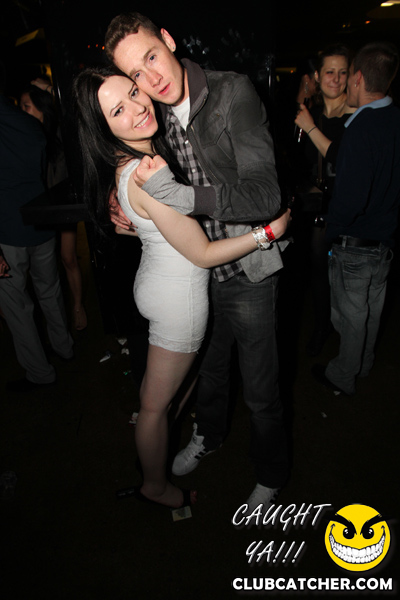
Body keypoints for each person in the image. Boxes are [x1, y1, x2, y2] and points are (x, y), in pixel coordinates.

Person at [71, 66, 290, 510]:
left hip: (192, 281)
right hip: (182, 294)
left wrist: (134, 216)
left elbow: (162, 218)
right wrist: (268, 233)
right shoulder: (144, 168)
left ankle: (260, 470)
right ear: (104, 128)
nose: (138, 107)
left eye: (134, 92)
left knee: (236, 387)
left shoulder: (156, 142)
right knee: (160, 402)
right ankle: (160, 480)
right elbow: (201, 252)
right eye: (117, 110)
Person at [311, 42, 400, 397]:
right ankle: (363, 364)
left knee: (349, 317)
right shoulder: (394, 118)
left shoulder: (361, 128)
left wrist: (331, 227)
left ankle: (342, 375)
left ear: (358, 78)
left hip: (356, 244)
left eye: (346, 74)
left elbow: (351, 199)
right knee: (371, 314)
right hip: (384, 243)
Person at [0, 64, 74, 392]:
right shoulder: (32, 126)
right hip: (41, 223)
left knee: (17, 306)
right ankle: (64, 347)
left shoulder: (16, 123)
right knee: (49, 290)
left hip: (8, 231)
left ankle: (40, 373)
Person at [293, 45, 355, 356]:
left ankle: (347, 338)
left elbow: (342, 158)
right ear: (317, 76)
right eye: (329, 72)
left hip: (346, 206)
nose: (336, 79)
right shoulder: (311, 113)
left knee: (346, 275)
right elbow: (296, 156)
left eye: (343, 72)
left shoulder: (356, 115)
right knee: (318, 269)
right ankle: (321, 326)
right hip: (318, 207)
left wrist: (310, 127)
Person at [20, 80, 87, 331]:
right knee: (48, 266)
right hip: (41, 207)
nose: (22, 112)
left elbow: (74, 109)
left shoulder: (59, 132)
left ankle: (78, 306)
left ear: (41, 108)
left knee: (68, 257)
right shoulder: (26, 136)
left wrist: (50, 89)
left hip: (64, 205)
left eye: (27, 106)